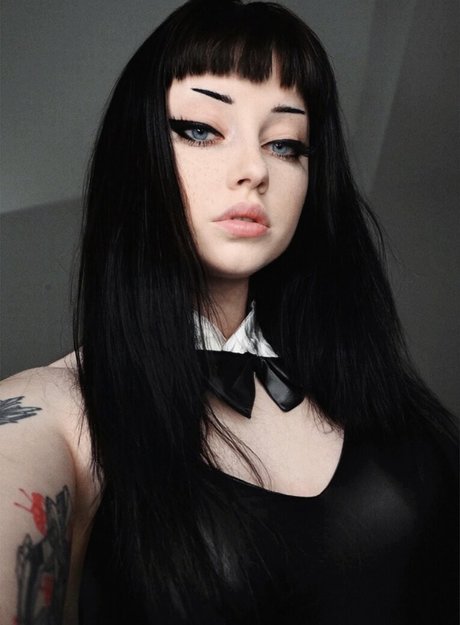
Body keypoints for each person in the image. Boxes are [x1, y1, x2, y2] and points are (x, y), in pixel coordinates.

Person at [0, 0, 458, 623]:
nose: (254, 170)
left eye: (285, 143)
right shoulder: (54, 413)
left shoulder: (366, 383)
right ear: (137, 154)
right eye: (200, 130)